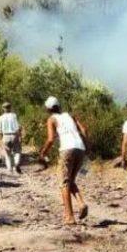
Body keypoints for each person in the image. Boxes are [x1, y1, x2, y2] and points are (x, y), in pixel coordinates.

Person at [39, 96, 88, 224]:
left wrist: (43, 153)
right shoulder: (70, 116)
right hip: (80, 148)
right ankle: (81, 203)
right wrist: (87, 146)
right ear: (59, 106)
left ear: (48, 109)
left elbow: (50, 139)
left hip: (67, 149)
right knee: (70, 180)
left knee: (64, 182)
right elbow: (84, 130)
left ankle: (70, 216)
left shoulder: (52, 119)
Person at [0, 102, 22, 173]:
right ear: (10, 107)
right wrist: (19, 136)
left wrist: (1, 140)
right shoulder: (14, 116)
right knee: (17, 151)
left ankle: (10, 169)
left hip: (5, 136)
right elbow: (17, 127)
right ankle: (16, 164)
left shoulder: (0, 118)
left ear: (3, 109)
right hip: (14, 135)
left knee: (7, 154)